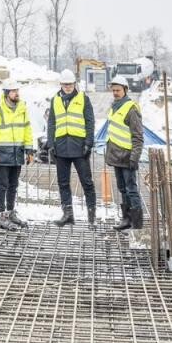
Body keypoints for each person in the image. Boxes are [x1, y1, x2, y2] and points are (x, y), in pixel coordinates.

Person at [47, 69, 96, 226]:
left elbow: (90, 122)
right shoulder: (55, 100)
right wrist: (51, 144)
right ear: (61, 84)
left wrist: (89, 143)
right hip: (61, 147)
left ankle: (91, 217)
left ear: (74, 84)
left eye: (70, 84)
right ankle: (68, 215)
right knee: (63, 183)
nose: (67, 87)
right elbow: (51, 123)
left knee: (86, 182)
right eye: (65, 84)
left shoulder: (83, 99)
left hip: (79, 147)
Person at [0, 80, 34, 230]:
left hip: (17, 153)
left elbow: (27, 130)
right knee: (2, 185)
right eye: (13, 91)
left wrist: (29, 150)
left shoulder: (22, 108)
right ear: (7, 93)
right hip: (3, 153)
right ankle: (2, 215)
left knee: (13, 185)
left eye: (17, 90)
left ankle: (11, 212)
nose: (17, 93)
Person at [106, 75, 144, 230]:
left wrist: (134, 158)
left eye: (118, 90)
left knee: (131, 190)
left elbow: (138, 137)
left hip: (127, 157)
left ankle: (137, 224)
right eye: (113, 90)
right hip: (116, 157)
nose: (115, 92)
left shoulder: (131, 109)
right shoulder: (114, 107)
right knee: (122, 189)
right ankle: (126, 219)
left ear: (125, 90)